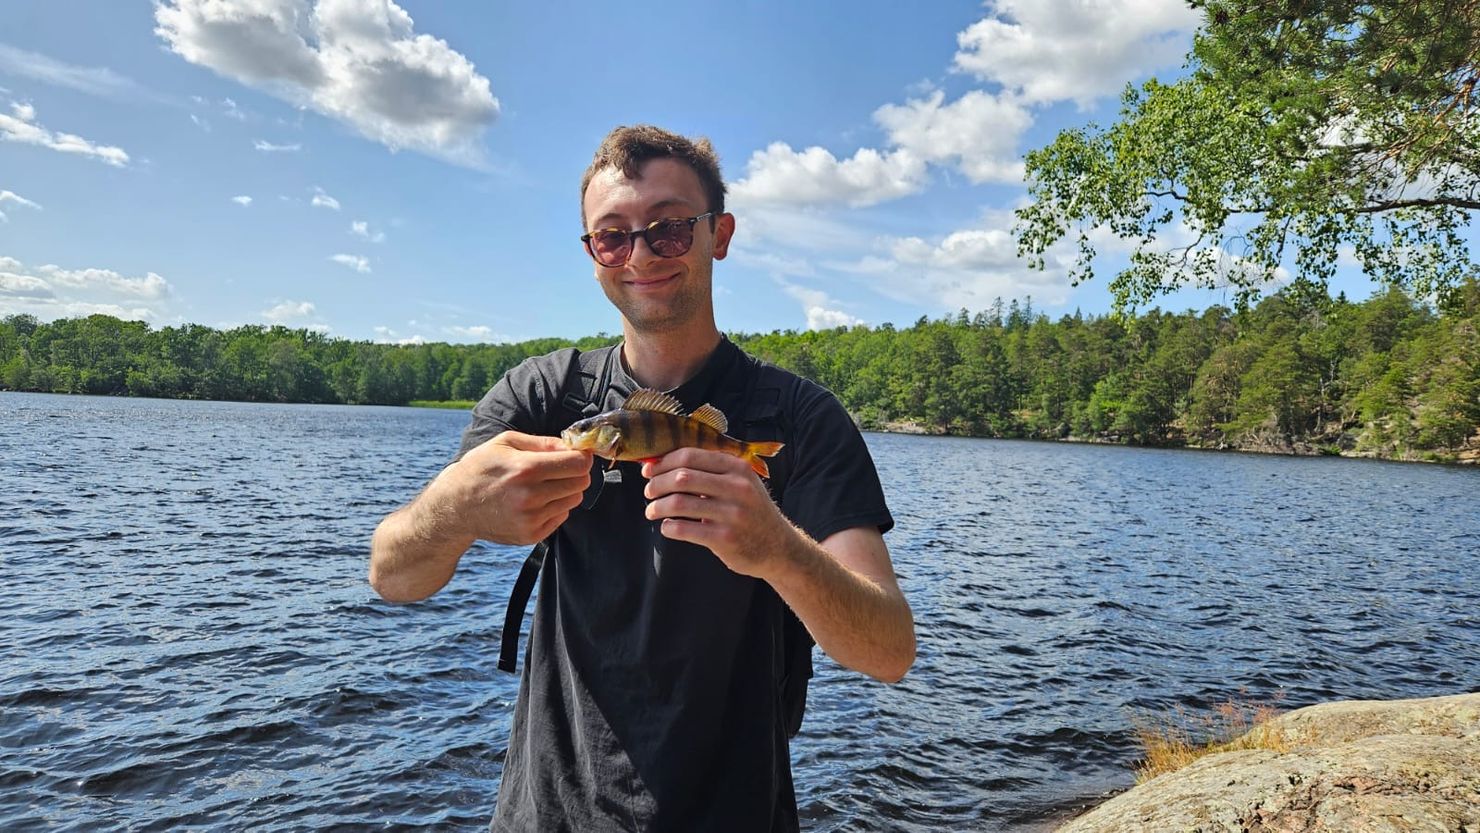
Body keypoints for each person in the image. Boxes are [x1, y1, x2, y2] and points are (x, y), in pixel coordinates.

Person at [368, 124, 915, 832]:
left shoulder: (800, 418)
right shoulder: (543, 398)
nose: (641, 254)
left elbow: (889, 651)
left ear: (719, 234)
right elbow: (393, 576)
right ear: (593, 256)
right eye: (612, 236)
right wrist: (455, 509)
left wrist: (777, 548)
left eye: (669, 228)